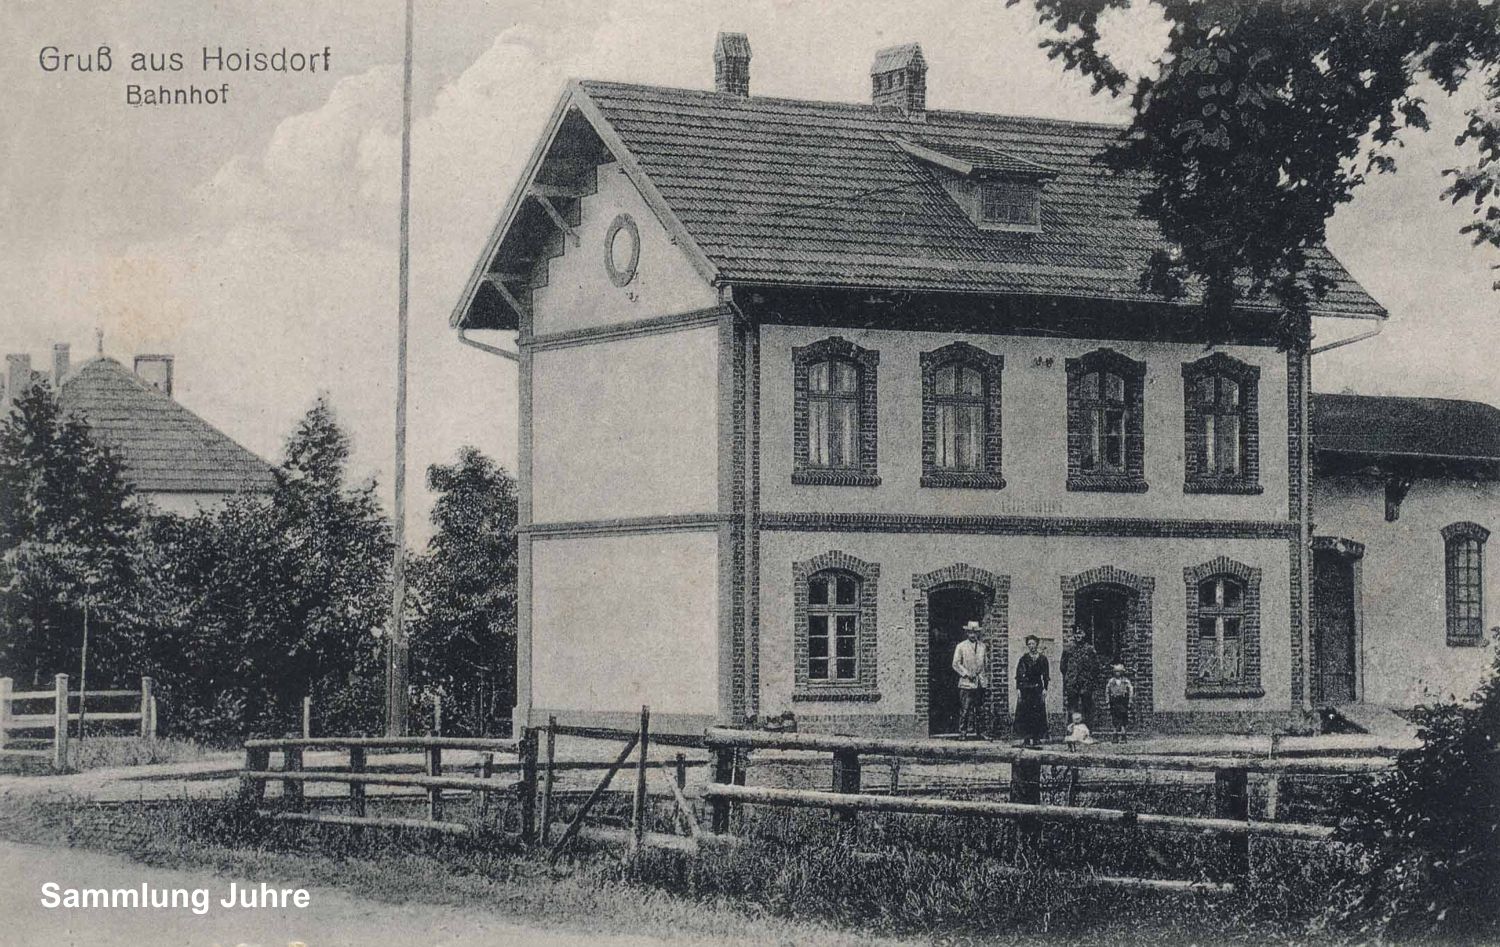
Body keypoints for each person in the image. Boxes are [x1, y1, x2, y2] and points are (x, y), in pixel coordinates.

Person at [951, 621, 988, 740]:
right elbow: (955, 664)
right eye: (970, 632)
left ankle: (981, 732)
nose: (973, 635)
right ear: (967, 633)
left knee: (980, 709)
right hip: (966, 683)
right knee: (965, 709)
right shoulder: (961, 646)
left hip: (979, 682)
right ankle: (963, 732)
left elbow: (985, 664)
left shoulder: (982, 646)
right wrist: (967, 674)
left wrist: (982, 677)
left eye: (975, 632)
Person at [1014, 634, 1050, 746]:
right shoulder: (1023, 659)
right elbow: (1019, 675)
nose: (1031, 646)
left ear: (1037, 644)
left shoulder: (1043, 659)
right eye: (1029, 644)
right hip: (1026, 690)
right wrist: (1018, 689)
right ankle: (1026, 738)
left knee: (1037, 713)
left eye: (1033, 643)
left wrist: (1045, 688)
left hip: (1037, 689)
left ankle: (1036, 737)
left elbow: (1045, 675)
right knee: (1025, 713)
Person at [1062, 632, 1102, 725]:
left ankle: (1087, 730)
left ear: (1084, 635)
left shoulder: (1089, 649)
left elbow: (1096, 666)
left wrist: (1089, 678)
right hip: (1072, 682)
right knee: (1072, 706)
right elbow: (1063, 667)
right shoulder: (1068, 649)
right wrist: (1070, 676)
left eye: (1080, 633)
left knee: (1087, 706)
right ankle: (1071, 730)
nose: (1078, 636)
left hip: (1086, 682)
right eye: (1076, 634)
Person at [1106, 663, 1134, 742]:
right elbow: (1107, 691)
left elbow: (1131, 690)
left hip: (1123, 700)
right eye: (1116, 671)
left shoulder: (1125, 681)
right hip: (1114, 701)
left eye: (1119, 671)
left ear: (1122, 672)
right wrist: (1108, 701)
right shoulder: (1111, 681)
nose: (1117, 673)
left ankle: (1123, 734)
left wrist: (1130, 700)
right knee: (1114, 717)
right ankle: (1115, 734)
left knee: (1123, 716)